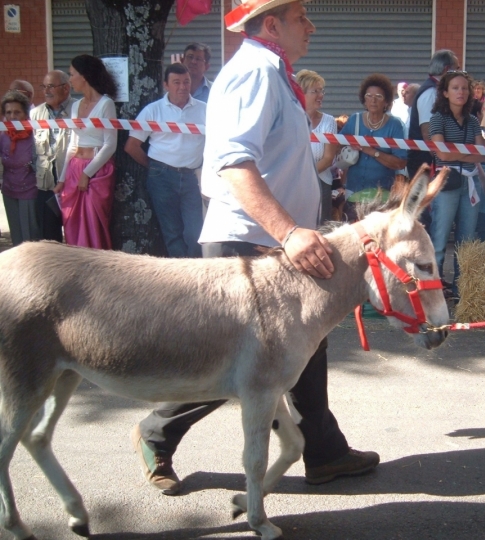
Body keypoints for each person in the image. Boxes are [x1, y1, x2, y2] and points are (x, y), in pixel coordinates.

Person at [131, 0, 379, 496]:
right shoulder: (254, 72)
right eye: (301, 18)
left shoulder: (271, 71)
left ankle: (323, 451)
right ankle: (157, 431)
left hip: (276, 240)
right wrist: (289, 232)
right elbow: (233, 163)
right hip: (252, 242)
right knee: (237, 362)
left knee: (308, 347)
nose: (311, 25)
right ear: (271, 24)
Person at [124, 63, 206, 258]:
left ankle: (194, 270)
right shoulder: (153, 111)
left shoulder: (204, 110)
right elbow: (132, 146)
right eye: (176, 82)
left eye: (186, 82)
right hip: (162, 177)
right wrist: (155, 167)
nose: (182, 87)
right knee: (172, 232)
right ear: (166, 85)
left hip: (193, 177)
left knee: (196, 232)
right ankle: (181, 277)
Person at [428, 70, 485, 298]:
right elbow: (442, 155)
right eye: (455, 88)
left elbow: (483, 155)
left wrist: (458, 154)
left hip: (469, 181)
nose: (460, 92)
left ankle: (460, 289)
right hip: (446, 181)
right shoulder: (438, 119)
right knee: (440, 237)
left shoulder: (473, 120)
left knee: (466, 239)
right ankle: (432, 291)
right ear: (445, 92)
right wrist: (467, 154)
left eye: (464, 88)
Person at [55, 54, 118, 250]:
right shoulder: (75, 106)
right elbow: (73, 143)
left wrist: (87, 173)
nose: (70, 79)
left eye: (72, 74)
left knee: (92, 223)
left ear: (84, 76)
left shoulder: (106, 104)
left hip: (96, 171)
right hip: (75, 167)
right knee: (72, 221)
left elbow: (110, 144)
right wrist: (62, 178)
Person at [339, 73, 407, 220]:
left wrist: (371, 151)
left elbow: (400, 162)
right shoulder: (354, 120)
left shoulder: (394, 125)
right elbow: (337, 145)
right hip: (353, 192)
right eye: (369, 96)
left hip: (381, 195)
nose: (373, 100)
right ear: (364, 98)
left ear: (386, 101)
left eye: (379, 97)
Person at [30, 70, 76, 243]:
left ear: (66, 88)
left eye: (51, 86)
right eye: (44, 86)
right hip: (46, 183)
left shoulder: (78, 109)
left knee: (75, 235)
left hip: (72, 181)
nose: (46, 91)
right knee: (49, 238)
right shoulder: (36, 114)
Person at [406, 49, 459, 179]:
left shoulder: (436, 91)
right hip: (426, 167)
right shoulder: (430, 93)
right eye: (457, 69)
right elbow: (428, 134)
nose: (460, 74)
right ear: (447, 69)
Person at [0, 91, 40, 245]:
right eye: (8, 112)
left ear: (25, 114)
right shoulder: (3, 136)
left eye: (17, 112)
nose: (12, 116)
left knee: (30, 239)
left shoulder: (36, 135)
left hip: (30, 192)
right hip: (9, 192)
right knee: (16, 239)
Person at [297, 69, 336, 223]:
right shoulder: (291, 118)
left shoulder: (329, 121)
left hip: (320, 184)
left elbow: (328, 158)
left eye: (322, 91)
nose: (321, 95)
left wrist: (306, 175)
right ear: (302, 93)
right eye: (315, 91)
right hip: (293, 183)